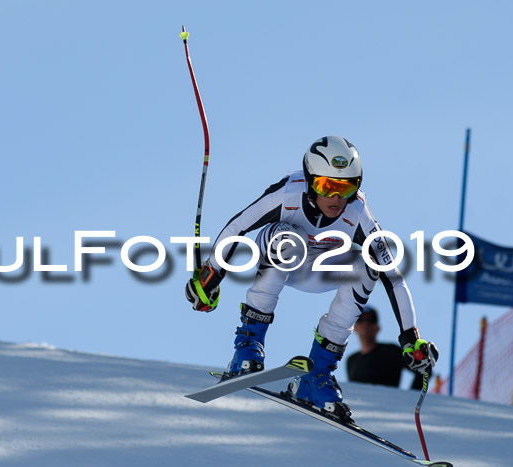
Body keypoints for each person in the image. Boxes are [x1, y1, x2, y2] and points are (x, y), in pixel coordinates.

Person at [185, 136, 438, 421]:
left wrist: (410, 338)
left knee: (370, 264)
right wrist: (211, 274)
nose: (336, 199)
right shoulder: (287, 194)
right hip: (281, 255)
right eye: (327, 186)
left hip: (319, 270)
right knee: (288, 239)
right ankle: (248, 345)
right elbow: (237, 227)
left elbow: (393, 276)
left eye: (346, 188)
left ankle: (317, 374)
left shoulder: (358, 212)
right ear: (310, 181)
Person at [346, 306, 425, 389]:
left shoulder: (391, 351)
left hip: (389, 401)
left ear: (377, 328)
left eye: (370, 320)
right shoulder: (351, 360)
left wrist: (411, 399)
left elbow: (423, 371)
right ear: (354, 328)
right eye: (361, 320)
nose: (365, 324)